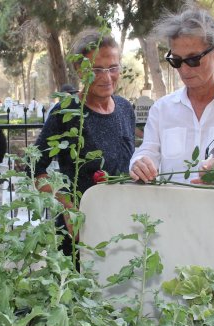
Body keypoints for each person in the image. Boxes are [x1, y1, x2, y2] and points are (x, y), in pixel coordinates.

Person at [128, 4, 214, 275]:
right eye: (175, 61)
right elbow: (147, 152)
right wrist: (140, 164)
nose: (184, 69)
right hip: (173, 233)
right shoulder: (163, 109)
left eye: (193, 59)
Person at [32, 29, 136, 257]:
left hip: (122, 224)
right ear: (80, 69)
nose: (107, 77)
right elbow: (36, 170)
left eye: (113, 68)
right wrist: (69, 209)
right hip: (80, 228)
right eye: (96, 69)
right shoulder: (66, 112)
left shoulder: (125, 109)